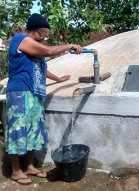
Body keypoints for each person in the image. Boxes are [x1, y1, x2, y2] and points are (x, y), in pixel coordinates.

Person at [5, 13, 83, 185]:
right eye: (41, 34)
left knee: (33, 130)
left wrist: (58, 79)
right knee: (18, 130)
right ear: (31, 29)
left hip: (34, 93)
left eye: (45, 36)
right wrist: (69, 45)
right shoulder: (20, 39)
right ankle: (16, 171)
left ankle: (29, 167)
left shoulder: (34, 46)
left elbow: (41, 69)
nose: (43, 39)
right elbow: (48, 51)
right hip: (19, 92)